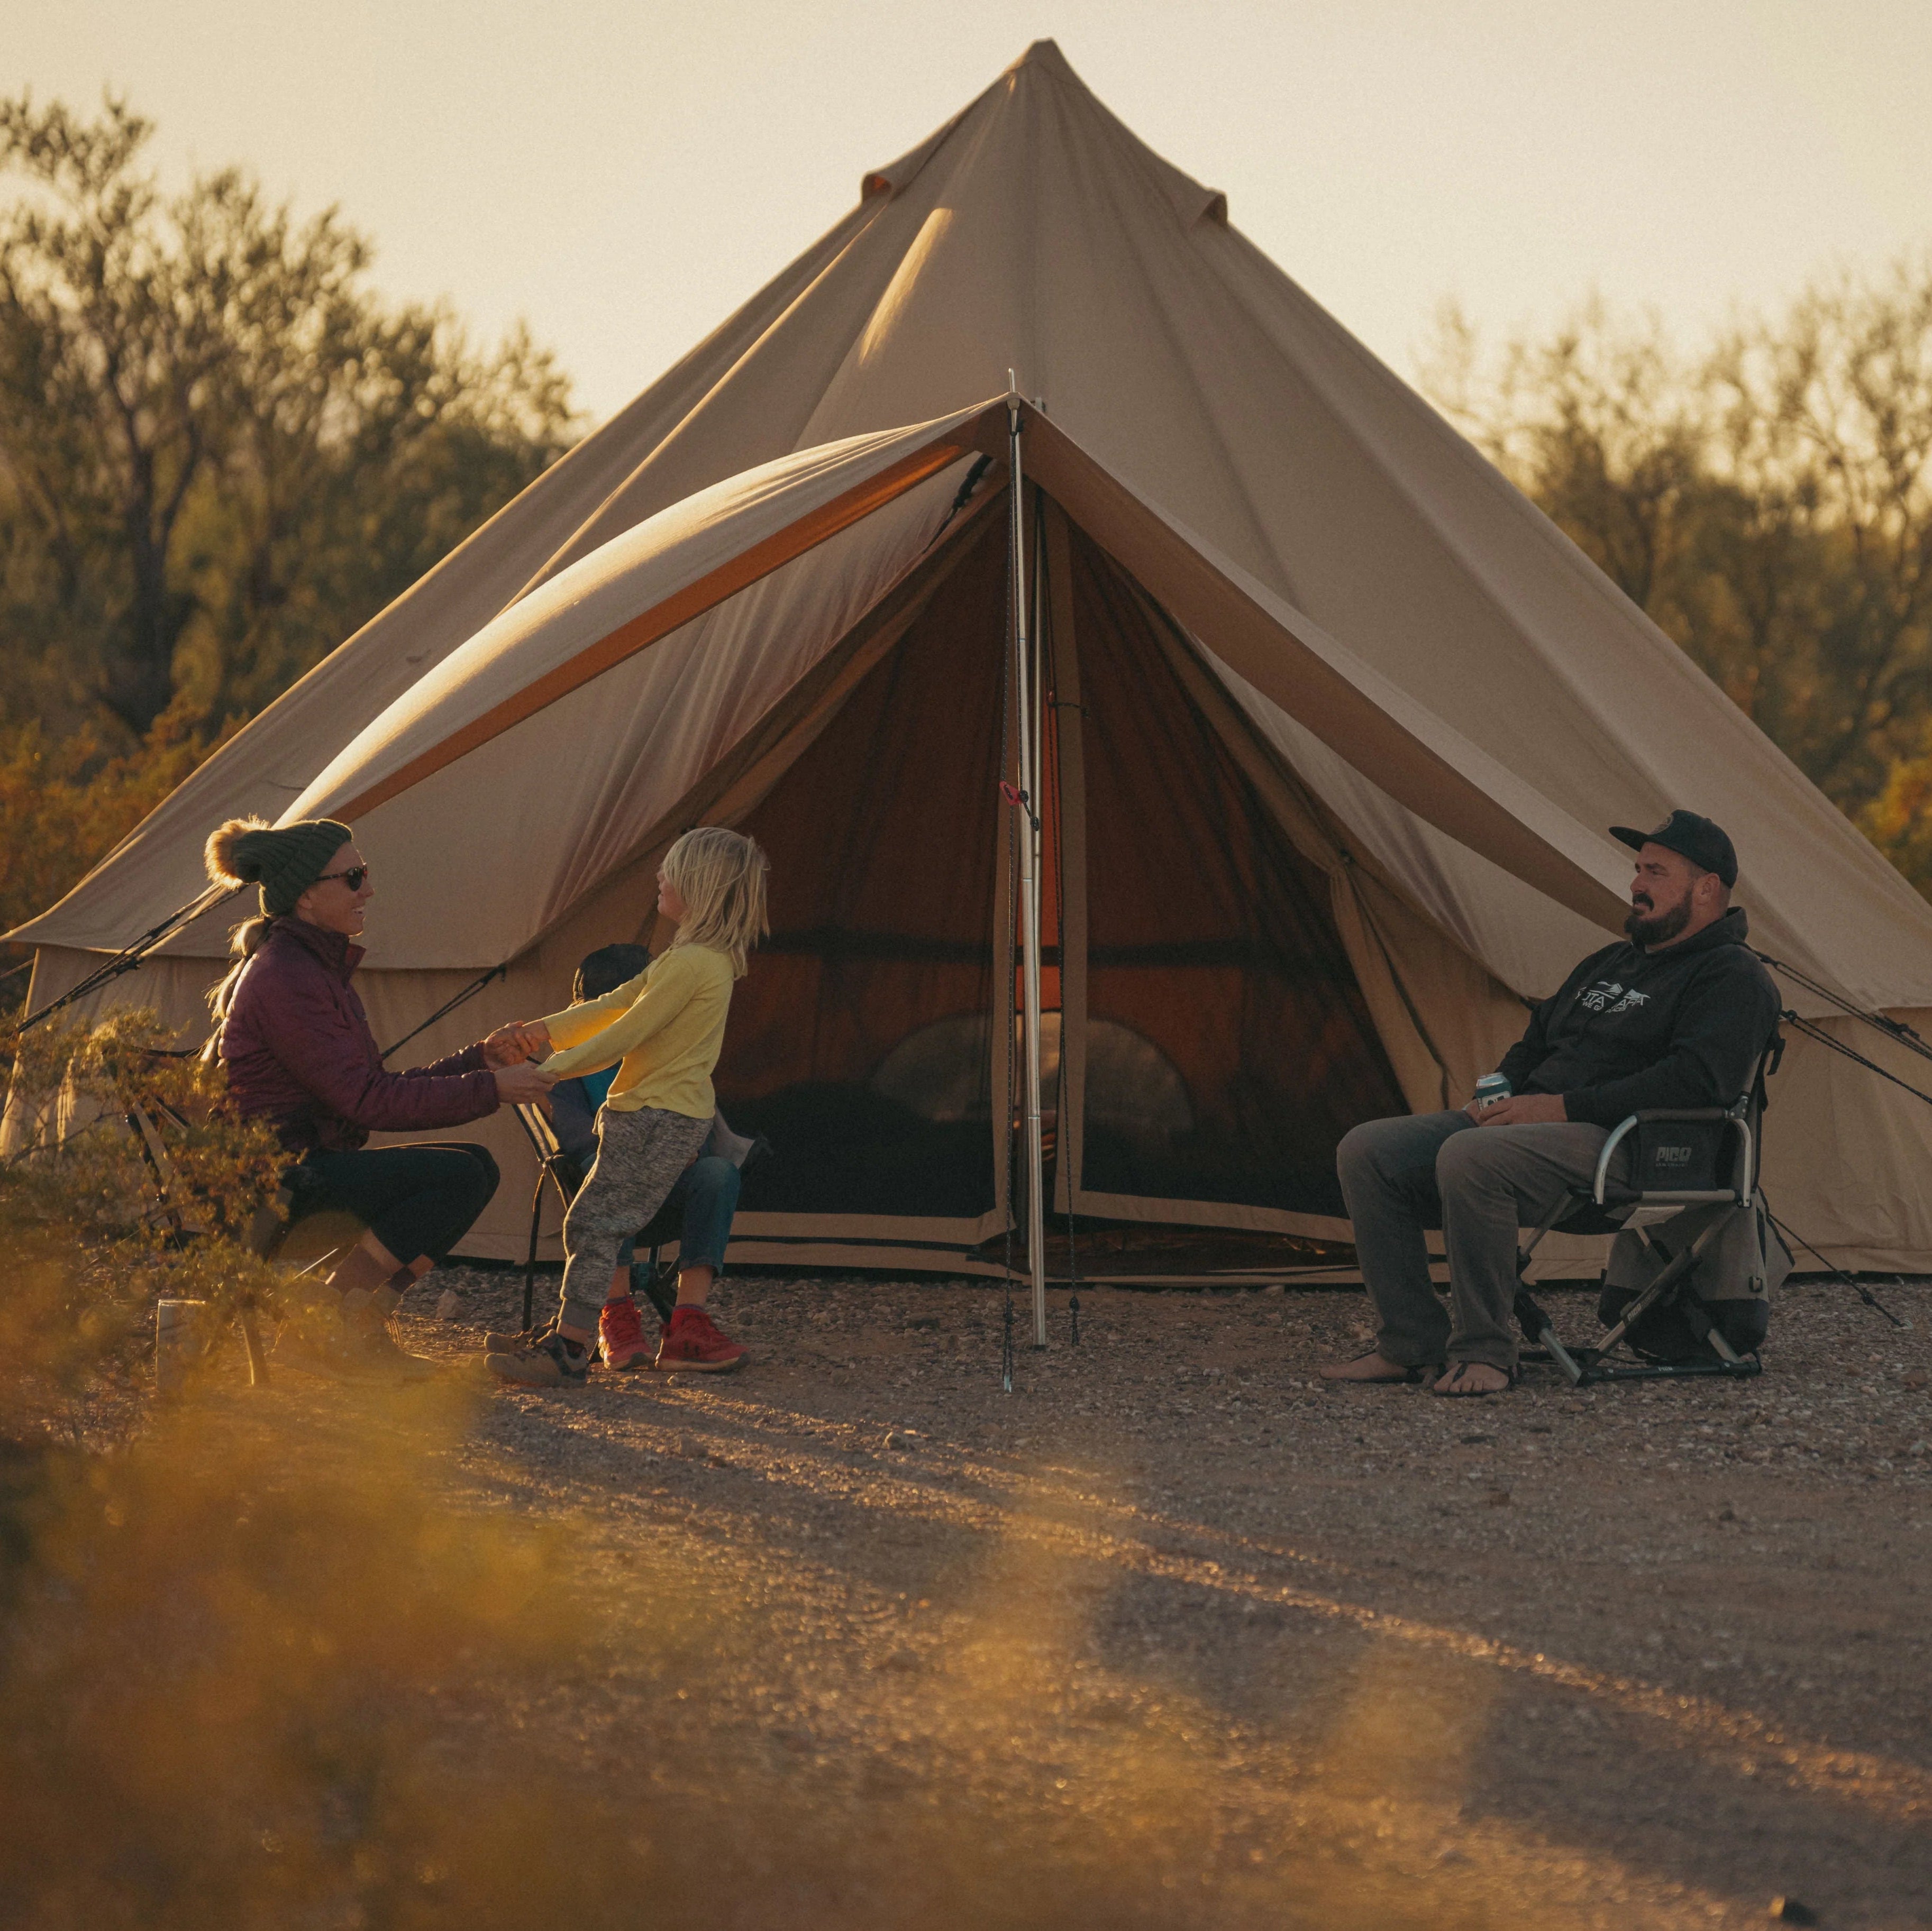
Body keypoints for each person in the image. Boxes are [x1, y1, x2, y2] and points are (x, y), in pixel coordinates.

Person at [1322, 810, 1780, 1398]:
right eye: (1638, 870)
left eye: (1656, 873)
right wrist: (1494, 1095)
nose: (1637, 885)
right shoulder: (1609, 963)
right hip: (1539, 1131)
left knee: (1471, 1157)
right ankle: (1409, 1346)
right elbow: (1534, 1042)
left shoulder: (1733, 977)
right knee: (1368, 1150)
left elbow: (1696, 1084)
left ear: (1707, 888)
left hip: (1639, 1149)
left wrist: (1560, 1108)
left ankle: (1486, 1352)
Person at [205, 816, 554, 1377]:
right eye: (353, 877)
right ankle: (332, 1322)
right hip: (273, 1185)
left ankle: (339, 1319)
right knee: (459, 1177)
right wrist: (489, 1089)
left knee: (476, 1169)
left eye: (363, 875)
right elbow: (369, 1103)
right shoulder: (288, 979)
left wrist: (478, 1062)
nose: (368, 889)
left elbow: (373, 1088)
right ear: (307, 896)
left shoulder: (313, 969)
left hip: (301, 1169)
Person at [486, 826, 769, 1387]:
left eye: (670, 869)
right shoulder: (687, 959)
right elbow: (615, 1004)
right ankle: (598, 1334)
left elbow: (628, 1031)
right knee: (595, 1222)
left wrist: (544, 1072)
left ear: (699, 885)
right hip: (654, 1112)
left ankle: (569, 1348)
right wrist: (539, 1031)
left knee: (596, 1223)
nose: (659, 877)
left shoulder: (692, 965)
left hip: (655, 1116)